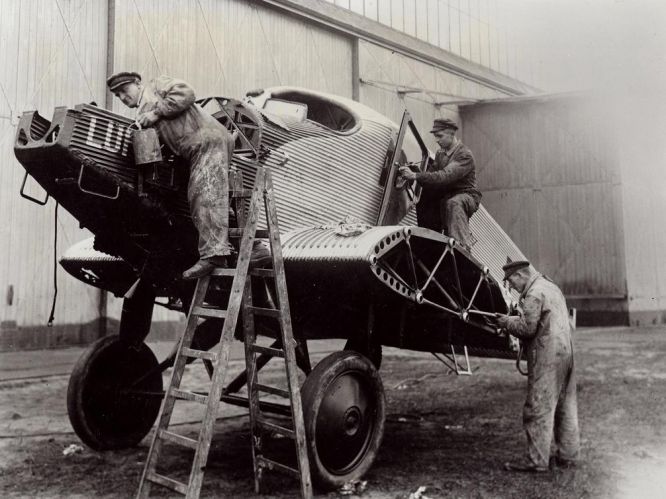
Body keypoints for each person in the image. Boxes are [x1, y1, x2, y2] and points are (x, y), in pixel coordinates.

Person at [107, 71, 235, 279]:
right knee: (197, 198)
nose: (122, 97)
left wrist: (156, 113)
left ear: (138, 84)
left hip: (207, 142)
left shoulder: (156, 87)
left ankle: (214, 256)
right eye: (117, 95)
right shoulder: (142, 114)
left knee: (203, 194)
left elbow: (186, 93)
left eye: (124, 90)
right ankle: (254, 247)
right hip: (192, 151)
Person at [496, 260, 580, 472]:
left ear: (519, 275)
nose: (512, 287)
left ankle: (537, 461)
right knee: (565, 405)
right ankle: (568, 455)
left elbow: (527, 328)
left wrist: (507, 322)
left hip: (548, 355)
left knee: (538, 406)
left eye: (511, 282)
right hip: (567, 352)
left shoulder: (534, 294)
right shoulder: (550, 286)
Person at [398, 117, 481, 251]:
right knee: (425, 197)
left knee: (454, 203)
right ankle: (430, 242)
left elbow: (444, 176)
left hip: (466, 195)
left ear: (451, 134)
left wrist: (416, 175)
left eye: (439, 136)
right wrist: (416, 172)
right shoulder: (440, 153)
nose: (437, 140)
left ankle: (462, 246)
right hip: (447, 194)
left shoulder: (464, 155)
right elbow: (433, 175)